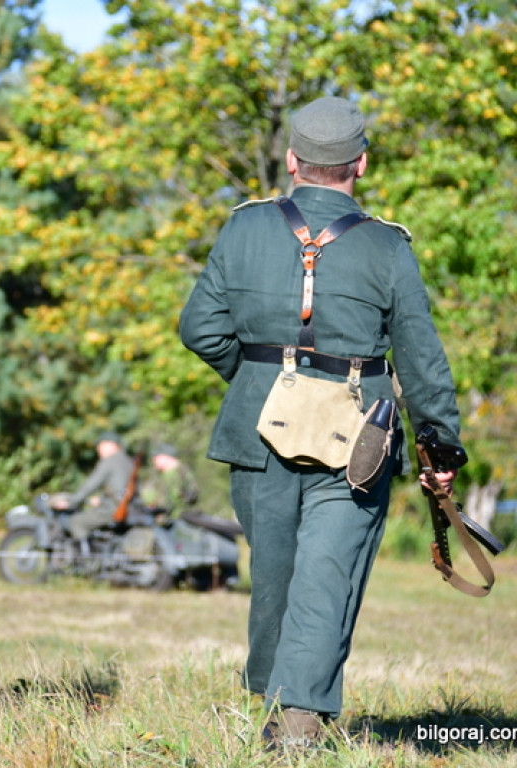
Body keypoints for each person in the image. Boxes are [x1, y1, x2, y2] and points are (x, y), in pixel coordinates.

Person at [179, 96, 462, 748]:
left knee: (274, 573)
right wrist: (440, 444)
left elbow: (199, 328)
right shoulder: (388, 246)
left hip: (257, 430)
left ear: (290, 160)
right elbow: (420, 357)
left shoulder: (243, 228)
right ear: (360, 164)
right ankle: (298, 728)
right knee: (325, 574)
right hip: (354, 436)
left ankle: (275, 712)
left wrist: (260, 383)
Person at [55, 432, 137, 551]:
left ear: (112, 444)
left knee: (76, 521)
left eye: (101, 445)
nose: (98, 449)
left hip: (113, 510)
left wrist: (71, 502)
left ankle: (87, 560)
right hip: (129, 508)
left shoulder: (109, 462)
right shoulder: (129, 461)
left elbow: (90, 486)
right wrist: (102, 499)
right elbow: (123, 489)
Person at [138, 443, 199, 518]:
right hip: (167, 518)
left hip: (182, 517)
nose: (153, 460)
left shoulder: (182, 473)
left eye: (156, 457)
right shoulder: (160, 476)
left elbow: (189, 497)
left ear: (166, 457)